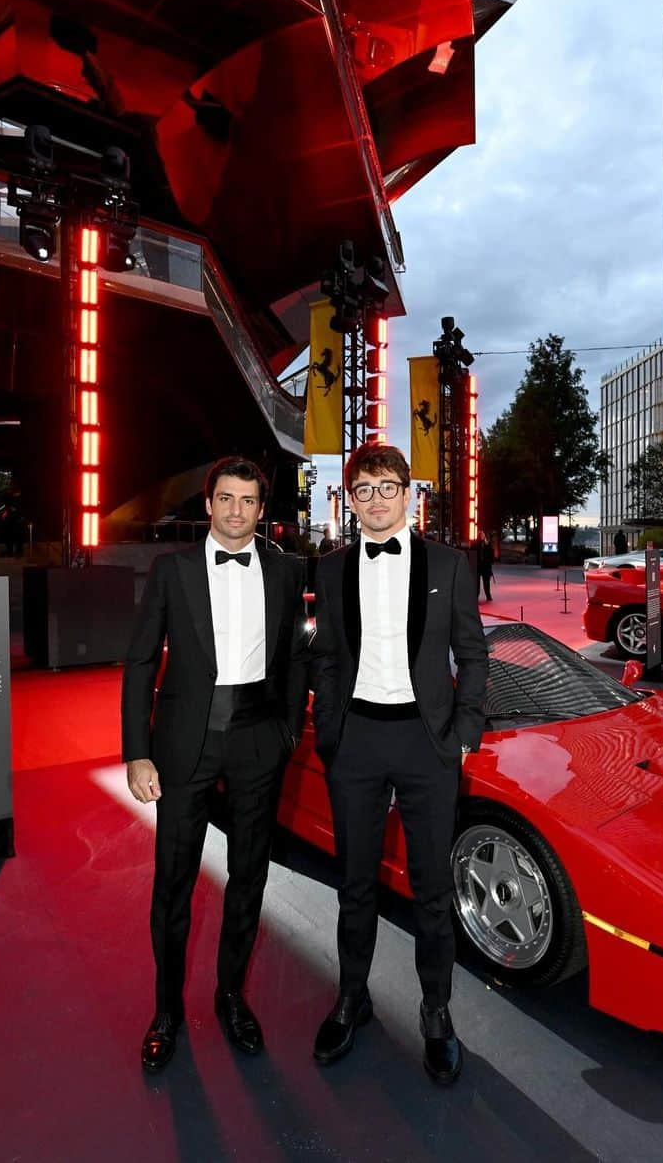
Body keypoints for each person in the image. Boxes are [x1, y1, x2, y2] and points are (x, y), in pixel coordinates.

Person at [121, 455, 309, 1074]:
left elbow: (294, 655)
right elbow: (142, 661)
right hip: (184, 743)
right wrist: (137, 751)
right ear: (208, 505)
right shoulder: (171, 570)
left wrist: (286, 729)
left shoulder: (285, 571)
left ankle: (231, 997)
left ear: (261, 509)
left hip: (258, 737)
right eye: (225, 499)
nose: (235, 511)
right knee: (173, 882)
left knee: (249, 878)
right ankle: (165, 1011)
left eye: (247, 501)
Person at [310, 443, 488, 1086]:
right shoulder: (329, 570)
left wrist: (465, 729)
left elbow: (473, 652)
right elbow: (325, 657)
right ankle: (351, 998)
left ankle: (436, 1013)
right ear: (350, 499)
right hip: (356, 739)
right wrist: (330, 732)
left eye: (388, 487)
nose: (377, 499)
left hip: (426, 742)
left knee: (433, 889)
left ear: (409, 495)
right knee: (353, 883)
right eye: (364, 489)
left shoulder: (449, 563)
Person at [476, 530, 495, 602]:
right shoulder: (476, 543)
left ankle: (488, 595)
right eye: (480, 535)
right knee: (477, 583)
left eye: (483, 535)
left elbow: (491, 554)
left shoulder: (488, 544)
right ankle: (476, 595)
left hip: (486, 566)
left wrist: (491, 563)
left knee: (486, 582)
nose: (481, 536)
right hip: (478, 565)